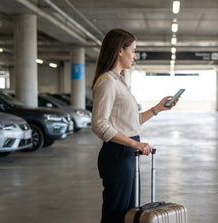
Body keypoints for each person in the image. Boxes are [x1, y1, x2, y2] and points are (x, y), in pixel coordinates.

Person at [91, 28, 179, 223]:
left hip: (126, 153)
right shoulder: (107, 81)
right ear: (120, 50)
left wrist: (157, 109)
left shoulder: (119, 81)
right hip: (118, 153)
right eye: (133, 50)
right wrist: (134, 144)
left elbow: (130, 121)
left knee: (127, 213)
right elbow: (99, 124)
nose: (135, 55)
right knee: (116, 214)